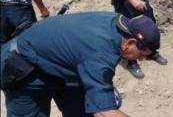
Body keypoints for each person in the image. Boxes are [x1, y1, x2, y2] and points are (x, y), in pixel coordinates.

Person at [1, 11, 161, 117]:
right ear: (130, 42)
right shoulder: (100, 53)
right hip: (26, 68)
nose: (140, 60)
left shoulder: (117, 23)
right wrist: (102, 102)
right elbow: (103, 112)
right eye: (141, 54)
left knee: (82, 112)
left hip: (61, 68)